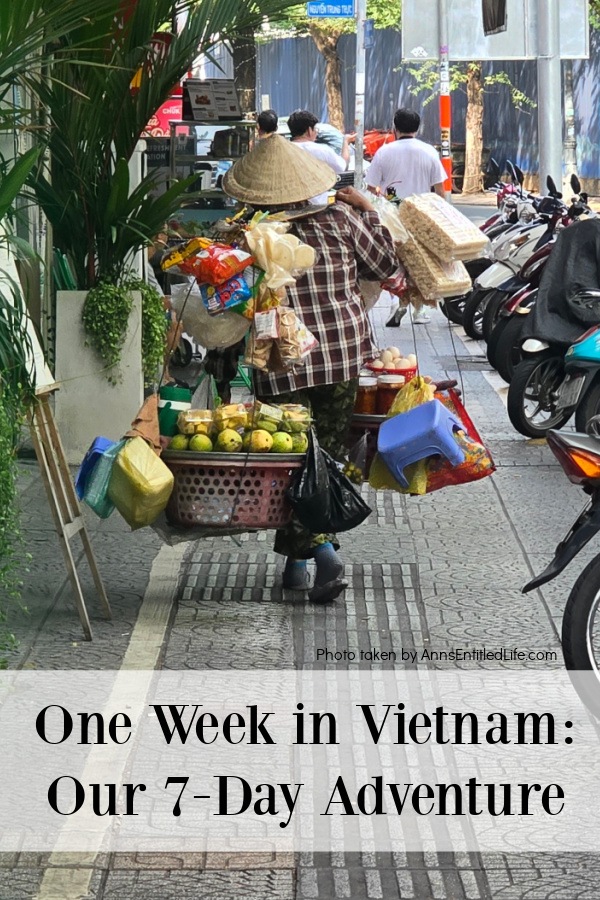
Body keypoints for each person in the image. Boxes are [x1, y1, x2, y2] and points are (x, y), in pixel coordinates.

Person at [223, 135, 403, 602]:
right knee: (321, 455)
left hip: (280, 361)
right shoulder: (341, 218)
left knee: (295, 461)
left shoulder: (248, 237)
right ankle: (316, 558)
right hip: (340, 352)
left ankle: (306, 561)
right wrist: (368, 210)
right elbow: (384, 262)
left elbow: (228, 300)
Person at [366, 108, 448, 325]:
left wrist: (387, 196)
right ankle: (420, 310)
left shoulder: (384, 152)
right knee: (421, 263)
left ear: (395, 127)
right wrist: (443, 213)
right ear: (418, 128)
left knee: (396, 261)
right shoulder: (429, 151)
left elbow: (371, 187)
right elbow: (439, 188)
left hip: (393, 216)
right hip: (422, 215)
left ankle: (396, 301)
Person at [287, 109, 347, 205]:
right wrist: (346, 142)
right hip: (318, 204)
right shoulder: (321, 150)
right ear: (309, 130)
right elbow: (341, 166)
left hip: (289, 203)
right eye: (315, 129)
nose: (316, 132)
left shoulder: (284, 150)